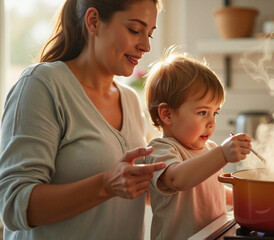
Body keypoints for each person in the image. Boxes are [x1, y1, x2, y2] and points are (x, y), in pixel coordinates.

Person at [0, 0, 165, 239]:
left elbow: (130, 191)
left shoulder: (129, 99)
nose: (146, 46)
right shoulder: (42, 85)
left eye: (149, 34)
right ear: (93, 21)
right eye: (135, 30)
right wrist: (105, 185)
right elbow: (14, 205)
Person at [144, 48, 252, 240]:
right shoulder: (160, 149)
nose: (211, 122)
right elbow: (179, 179)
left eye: (215, 113)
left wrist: (248, 198)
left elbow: (213, 190)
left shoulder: (209, 149)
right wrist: (222, 154)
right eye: (202, 112)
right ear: (167, 114)